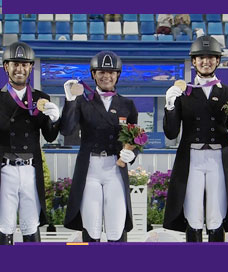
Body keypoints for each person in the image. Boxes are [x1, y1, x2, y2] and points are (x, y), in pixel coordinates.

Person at [163, 36, 228, 242]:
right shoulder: (184, 92)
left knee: (216, 214)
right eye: (201, 58)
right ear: (194, 62)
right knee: (193, 214)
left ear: (218, 61)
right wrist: (170, 106)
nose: (206, 61)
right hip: (192, 158)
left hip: (218, 157)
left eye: (211, 57)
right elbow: (171, 133)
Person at [60, 51, 138, 242]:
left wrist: (132, 155)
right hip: (90, 170)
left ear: (117, 75)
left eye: (111, 72)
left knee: (116, 228)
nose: (106, 76)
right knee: (92, 228)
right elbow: (66, 129)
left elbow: (135, 139)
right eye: (101, 71)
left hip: (115, 168)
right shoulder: (82, 102)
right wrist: (70, 101)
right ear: (93, 74)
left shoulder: (127, 105)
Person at [0, 42, 60, 245]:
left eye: (24, 64)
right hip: (4, 169)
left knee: (30, 224)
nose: (20, 69)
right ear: (6, 66)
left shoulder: (41, 98)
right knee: (4, 225)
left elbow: (50, 137)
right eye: (15, 64)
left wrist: (54, 119)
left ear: (30, 67)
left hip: (30, 170)